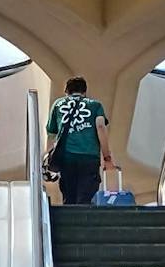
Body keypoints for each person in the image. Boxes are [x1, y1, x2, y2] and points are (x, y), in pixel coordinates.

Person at [46, 77, 115, 206]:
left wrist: (48, 157)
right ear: (84, 91)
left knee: (69, 196)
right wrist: (107, 158)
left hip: (66, 157)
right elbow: (100, 126)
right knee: (85, 197)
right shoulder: (95, 105)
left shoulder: (58, 104)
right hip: (89, 157)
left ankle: (69, 223)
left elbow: (52, 133)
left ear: (66, 91)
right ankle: (83, 221)